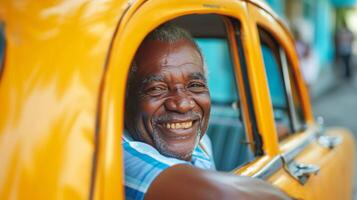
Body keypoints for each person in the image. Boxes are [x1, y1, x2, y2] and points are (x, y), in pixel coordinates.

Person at [124, 24, 292, 200]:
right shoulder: (120, 156)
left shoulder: (200, 140)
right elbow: (221, 195)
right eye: (157, 88)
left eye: (195, 85)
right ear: (125, 98)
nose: (183, 104)